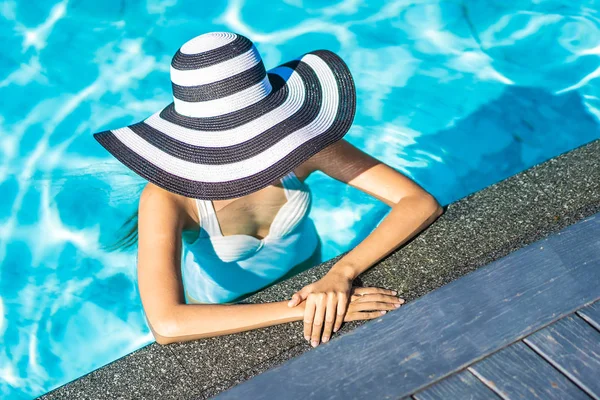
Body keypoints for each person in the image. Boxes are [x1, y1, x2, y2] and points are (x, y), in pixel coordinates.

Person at [94, 32, 443, 348]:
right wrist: (304, 310)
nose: (250, 148)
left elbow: (419, 202)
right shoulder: (166, 197)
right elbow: (167, 324)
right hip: (224, 308)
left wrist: (341, 273)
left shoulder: (301, 142)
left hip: (311, 269)